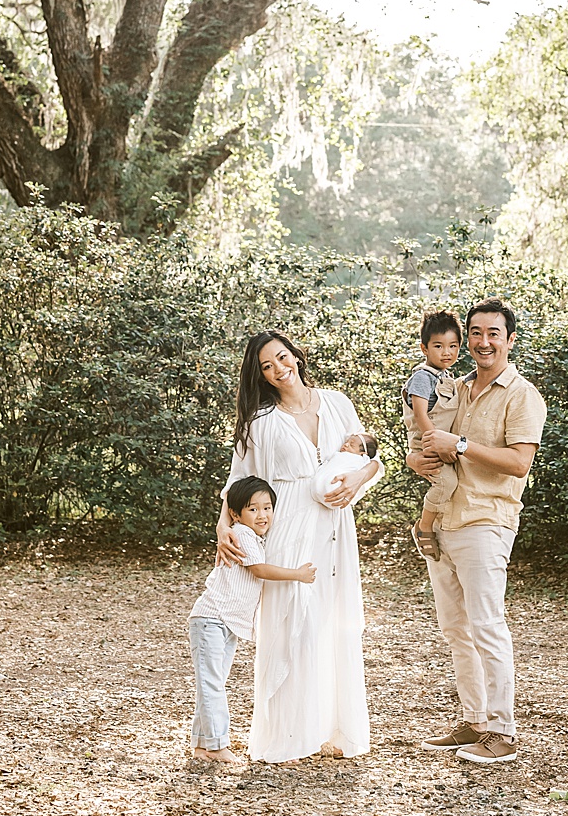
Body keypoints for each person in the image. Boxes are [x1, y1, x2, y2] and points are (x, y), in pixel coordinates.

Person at [218, 330, 383, 764]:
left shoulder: (337, 402)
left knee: (335, 620)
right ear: (261, 377)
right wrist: (224, 527)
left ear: (296, 355)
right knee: (293, 622)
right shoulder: (260, 423)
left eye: (282, 357)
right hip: (288, 526)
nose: (278, 369)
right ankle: (290, 733)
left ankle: (334, 728)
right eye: (267, 367)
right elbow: (238, 480)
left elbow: (371, 458)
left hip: (335, 526)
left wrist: (356, 481)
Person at [407, 298, 546, 767]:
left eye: (493, 333)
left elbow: (519, 462)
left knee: (487, 626)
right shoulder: (453, 387)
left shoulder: (521, 395)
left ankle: (503, 731)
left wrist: (461, 445)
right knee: (455, 629)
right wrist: (417, 458)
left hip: (486, 523)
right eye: (476, 333)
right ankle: (475, 720)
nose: (483, 343)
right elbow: (430, 441)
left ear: (509, 339)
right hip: (443, 520)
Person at [188, 476, 315, 765]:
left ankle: (202, 746)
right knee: (212, 684)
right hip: (211, 617)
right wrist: (297, 574)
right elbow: (258, 570)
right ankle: (218, 745)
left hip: (226, 621)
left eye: (267, 507)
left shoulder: (254, 536)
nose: (262, 515)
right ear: (236, 514)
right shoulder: (241, 534)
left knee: (213, 683)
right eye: (253, 509)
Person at [406, 310, 465, 561]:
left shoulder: (447, 377)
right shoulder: (422, 377)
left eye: (453, 346)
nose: (446, 352)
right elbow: (420, 414)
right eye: (438, 346)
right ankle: (425, 525)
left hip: (443, 441)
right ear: (424, 348)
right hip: (428, 442)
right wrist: (437, 444)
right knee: (446, 483)